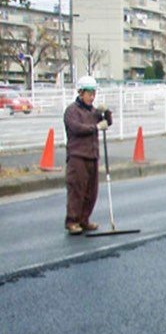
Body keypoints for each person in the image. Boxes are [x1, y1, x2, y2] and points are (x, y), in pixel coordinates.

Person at [63, 75, 113, 235]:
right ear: (81, 92)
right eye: (89, 93)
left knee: (91, 192)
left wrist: (106, 112)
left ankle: (84, 219)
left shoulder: (93, 111)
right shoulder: (72, 111)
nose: (92, 97)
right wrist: (96, 127)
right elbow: (77, 128)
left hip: (92, 156)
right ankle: (72, 221)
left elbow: (107, 122)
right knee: (77, 189)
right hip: (77, 156)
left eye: (94, 93)